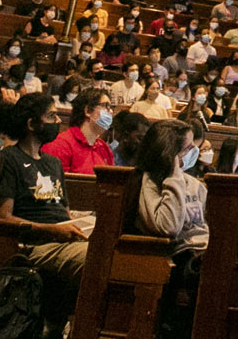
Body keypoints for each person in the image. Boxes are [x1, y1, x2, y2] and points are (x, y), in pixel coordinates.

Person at [0, 96, 93, 335]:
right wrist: (51, 230)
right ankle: (77, 335)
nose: (57, 121)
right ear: (32, 124)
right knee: (94, 260)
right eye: (51, 116)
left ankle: (66, 331)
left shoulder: (52, 163)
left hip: (62, 237)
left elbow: (63, 211)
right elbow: (4, 216)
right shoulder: (9, 158)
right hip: (34, 244)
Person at [136, 119, 210, 254]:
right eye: (188, 148)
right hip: (182, 255)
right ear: (170, 154)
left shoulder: (195, 184)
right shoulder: (149, 184)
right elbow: (168, 226)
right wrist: (174, 174)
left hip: (206, 250)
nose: (195, 150)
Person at [45, 84, 119, 176]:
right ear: (87, 111)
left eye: (111, 107)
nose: (110, 111)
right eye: (105, 106)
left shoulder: (103, 148)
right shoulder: (61, 144)